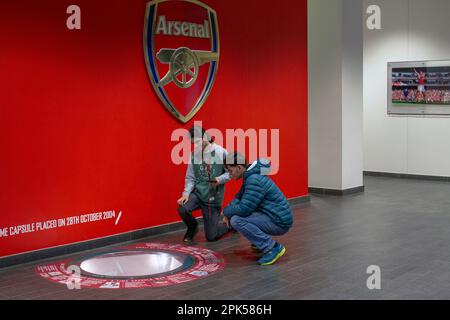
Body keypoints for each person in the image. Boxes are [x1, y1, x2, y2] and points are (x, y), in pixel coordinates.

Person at [222, 153, 293, 265]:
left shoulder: (253, 179)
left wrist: (227, 212)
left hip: (279, 222)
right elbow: (238, 198)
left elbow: (244, 208)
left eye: (230, 170)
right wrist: (226, 212)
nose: (229, 174)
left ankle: (272, 248)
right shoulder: (249, 176)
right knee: (238, 214)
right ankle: (258, 242)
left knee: (236, 220)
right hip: (273, 216)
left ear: (239, 167)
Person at [177, 126, 231, 244]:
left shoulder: (221, 152)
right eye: (193, 143)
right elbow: (190, 177)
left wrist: (220, 179)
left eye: (197, 142)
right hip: (198, 195)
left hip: (212, 199)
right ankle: (192, 228)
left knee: (211, 237)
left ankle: (230, 225)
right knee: (183, 208)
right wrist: (186, 194)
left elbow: (231, 173)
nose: (195, 146)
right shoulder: (193, 155)